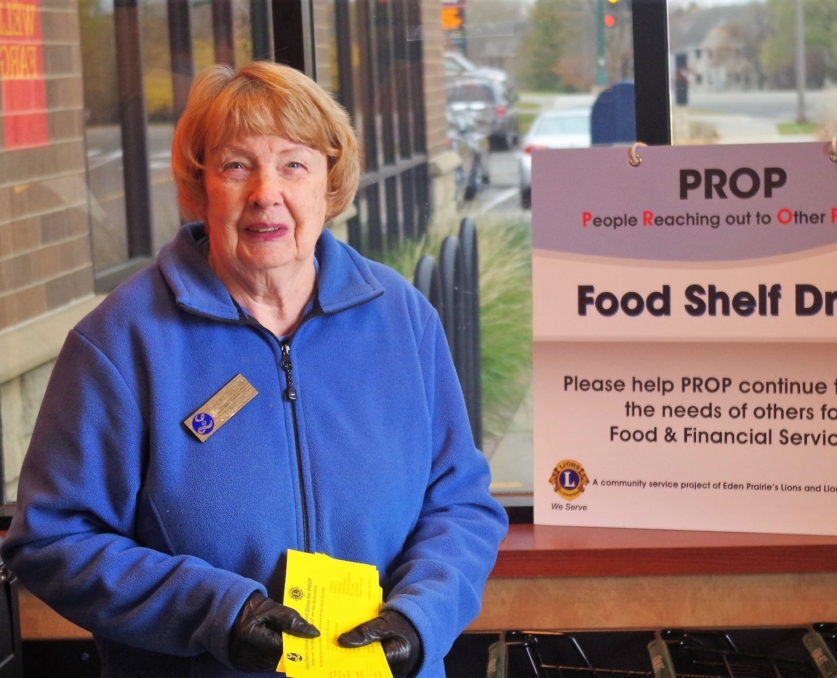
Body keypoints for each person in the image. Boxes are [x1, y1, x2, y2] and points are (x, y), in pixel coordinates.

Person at [0, 61, 508, 677]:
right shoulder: (121, 340)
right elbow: (53, 540)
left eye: (294, 163)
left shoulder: (404, 318)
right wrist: (215, 612)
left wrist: (421, 618)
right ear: (200, 184)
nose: (267, 192)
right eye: (237, 165)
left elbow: (460, 505)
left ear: (329, 182)